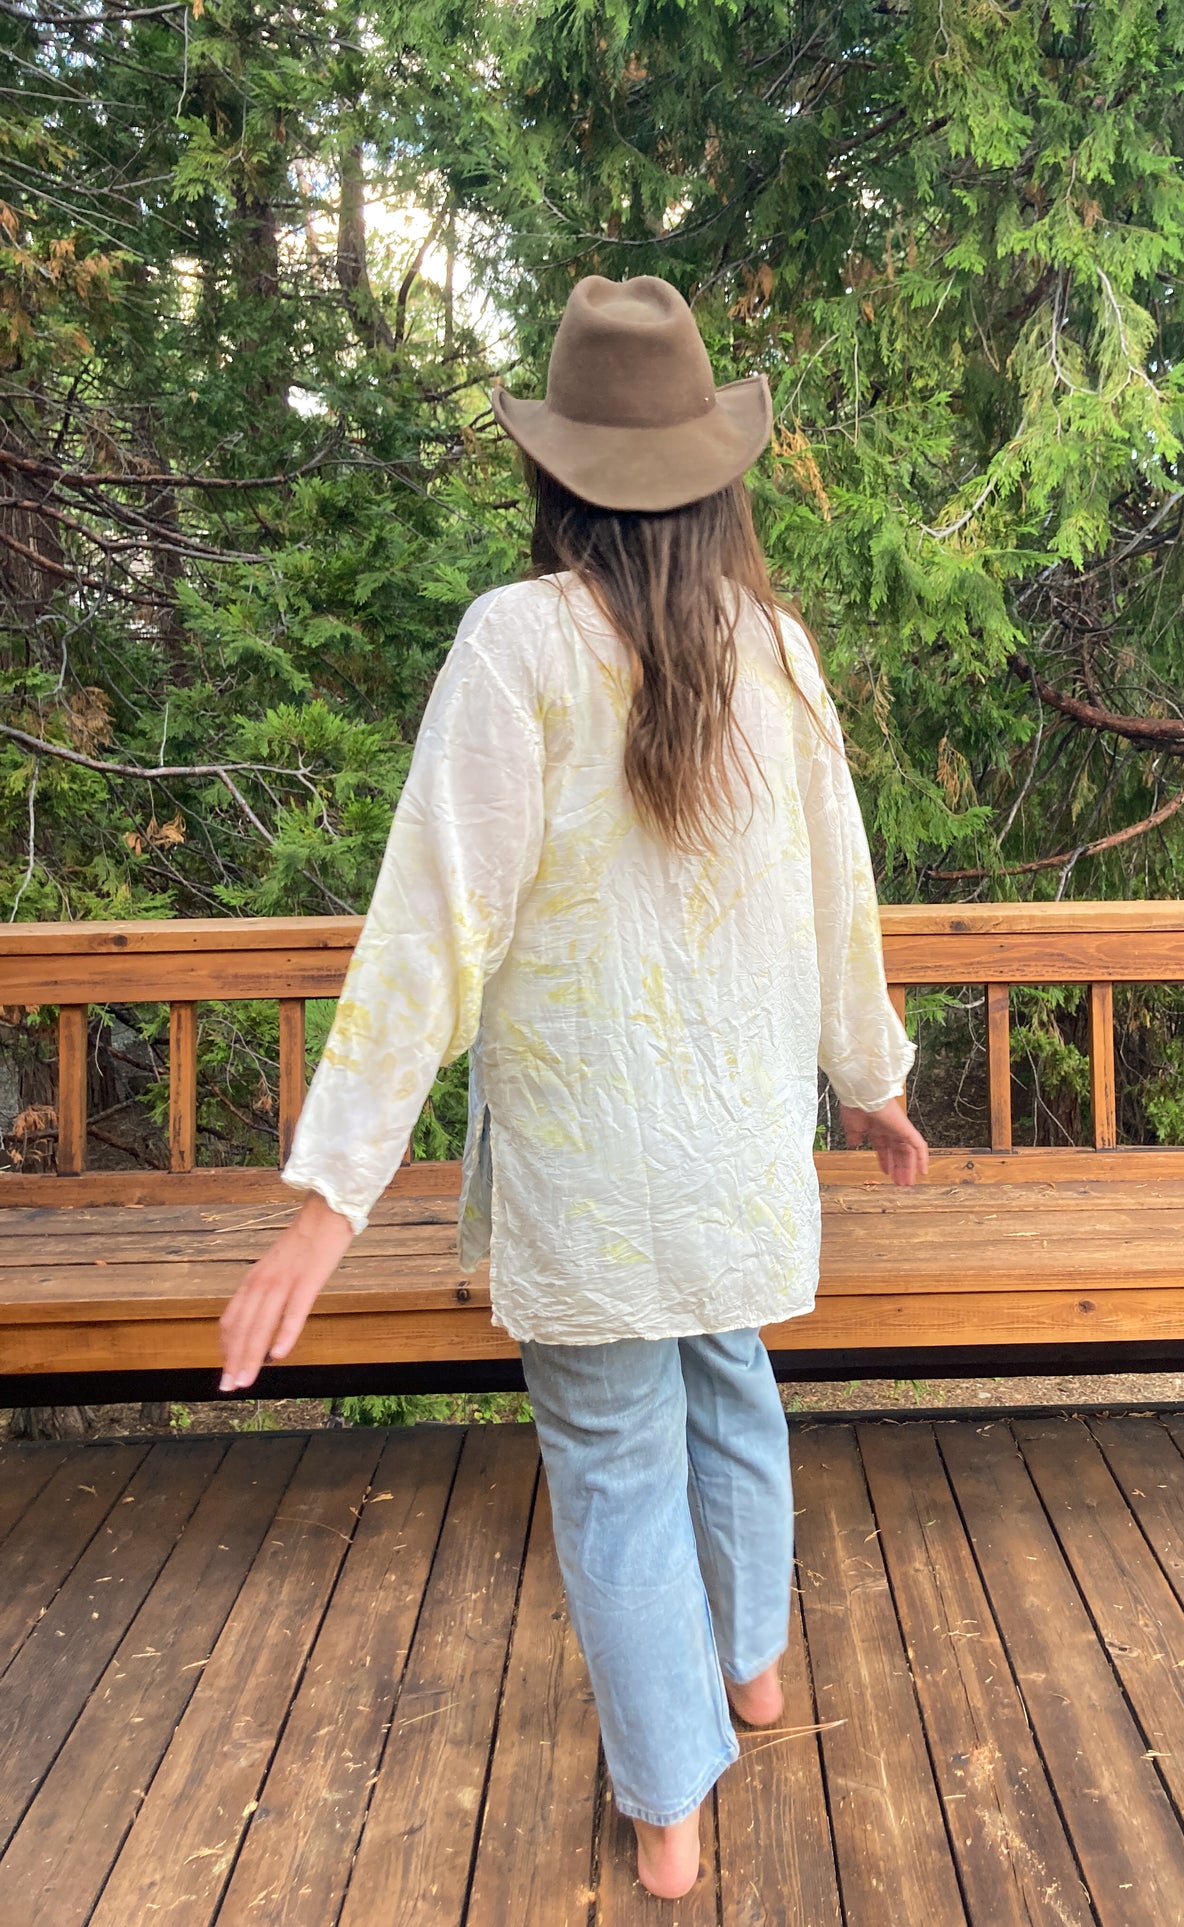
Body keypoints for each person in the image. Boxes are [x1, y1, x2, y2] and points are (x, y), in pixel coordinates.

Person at [217, 274, 928, 1901]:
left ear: (553, 474)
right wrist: (868, 1081)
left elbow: (430, 931)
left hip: (595, 1186)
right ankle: (751, 1672)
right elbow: (845, 903)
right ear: (716, 472)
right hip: (738, 1163)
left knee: (616, 1460)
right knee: (732, 1388)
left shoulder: (516, 646)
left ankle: (670, 1808)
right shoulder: (781, 657)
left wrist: (327, 1204)